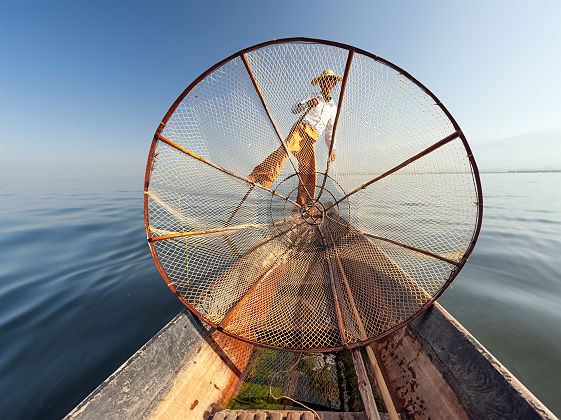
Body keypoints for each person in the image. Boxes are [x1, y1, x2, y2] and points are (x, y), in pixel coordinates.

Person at [247, 69, 342, 206]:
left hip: (311, 138)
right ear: (320, 84)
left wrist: (332, 148)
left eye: (330, 80)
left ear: (333, 84)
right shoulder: (313, 95)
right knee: (284, 151)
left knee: (309, 171)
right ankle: (257, 176)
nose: (327, 83)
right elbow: (294, 109)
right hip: (301, 129)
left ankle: (304, 206)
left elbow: (329, 131)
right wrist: (307, 104)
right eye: (324, 80)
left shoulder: (333, 108)